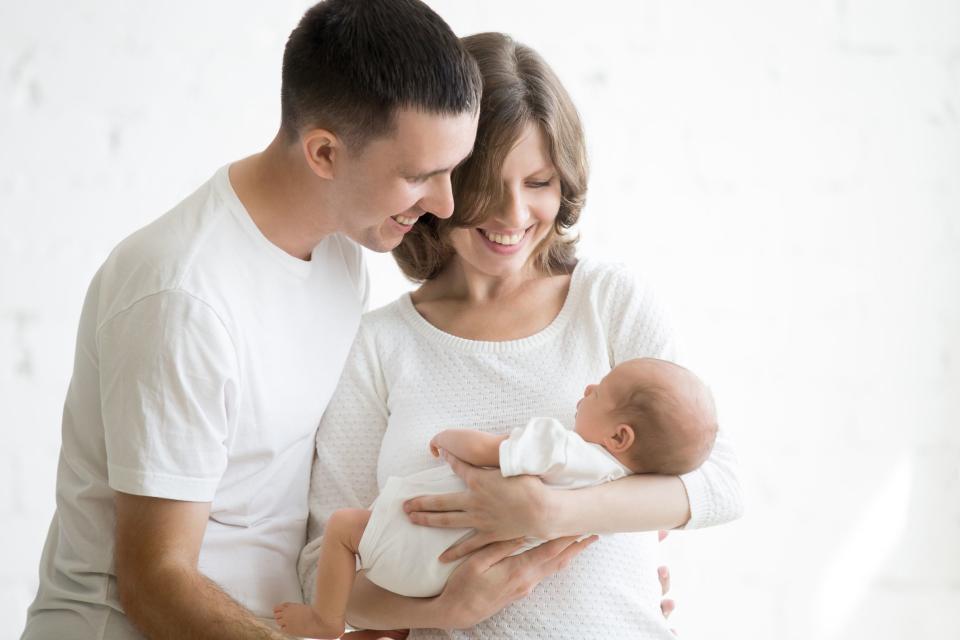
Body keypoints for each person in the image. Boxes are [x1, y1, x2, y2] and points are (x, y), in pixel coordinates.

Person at [19, 2, 503, 638]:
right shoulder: (184, 297)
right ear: (324, 153)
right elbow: (155, 584)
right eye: (419, 175)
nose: (443, 202)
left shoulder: (340, 253)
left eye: (451, 169)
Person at [300, 32, 744, 638]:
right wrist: (443, 612)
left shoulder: (607, 302)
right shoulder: (381, 345)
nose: (513, 216)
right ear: (438, 182)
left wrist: (552, 511)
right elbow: (321, 565)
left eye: (538, 182)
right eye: (486, 184)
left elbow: (718, 483)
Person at [276, 358, 717, 638]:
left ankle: (324, 622)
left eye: (598, 391)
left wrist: (449, 440)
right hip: (450, 577)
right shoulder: (621, 491)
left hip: (420, 543)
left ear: (620, 435)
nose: (586, 390)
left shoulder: (562, 446)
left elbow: (489, 449)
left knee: (343, 528)